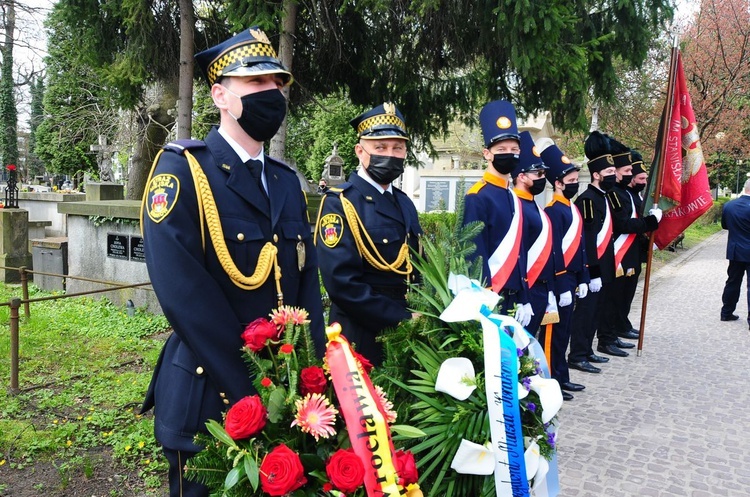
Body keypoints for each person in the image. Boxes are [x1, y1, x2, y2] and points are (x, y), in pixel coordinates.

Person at [140, 27, 324, 496]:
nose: (272, 94)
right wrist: (254, 389)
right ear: (221, 95)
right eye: (256, 84)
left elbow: (305, 285)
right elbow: (185, 296)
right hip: (213, 398)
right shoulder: (183, 170)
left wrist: (311, 379)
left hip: (283, 397)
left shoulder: (285, 181)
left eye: (277, 84)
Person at [314, 102, 422, 365]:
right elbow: (342, 284)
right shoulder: (341, 203)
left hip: (406, 335)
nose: (390, 154)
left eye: (397, 148)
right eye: (380, 148)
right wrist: (403, 319)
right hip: (361, 337)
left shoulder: (404, 201)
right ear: (360, 151)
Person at [464, 100, 532, 326]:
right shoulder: (477, 196)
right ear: (487, 153)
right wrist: (485, 300)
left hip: (514, 296)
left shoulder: (513, 195)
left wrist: (524, 298)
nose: (508, 154)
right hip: (491, 297)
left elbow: (520, 251)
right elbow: (474, 253)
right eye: (501, 150)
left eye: (514, 150)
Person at [539, 139, 590, 400]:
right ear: (558, 183)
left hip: (572, 279)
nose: (575, 183)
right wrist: (560, 284)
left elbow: (579, 246)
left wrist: (582, 277)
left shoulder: (571, 207)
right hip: (559, 283)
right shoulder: (553, 211)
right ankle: (550, 383)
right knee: (553, 336)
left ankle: (562, 377)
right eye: (571, 179)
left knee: (565, 332)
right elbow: (553, 251)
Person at [599, 141, 661, 350]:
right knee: (614, 298)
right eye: (627, 171)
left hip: (632, 252)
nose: (629, 175)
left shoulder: (628, 193)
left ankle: (620, 326)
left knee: (625, 295)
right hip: (619, 254)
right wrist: (650, 223)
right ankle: (609, 334)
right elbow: (623, 224)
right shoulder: (616, 193)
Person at [567, 131, 618, 373]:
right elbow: (588, 240)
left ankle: (588, 350)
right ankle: (577, 354)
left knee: (596, 313)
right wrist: (592, 272)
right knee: (585, 314)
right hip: (591, 270)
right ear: (596, 175)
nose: (613, 176)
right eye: (609, 173)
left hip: (604, 268)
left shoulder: (604, 197)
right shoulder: (587, 200)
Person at [512, 131, 554, 336]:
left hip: (541, 287)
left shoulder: (533, 205)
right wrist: (523, 297)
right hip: (527, 287)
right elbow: (517, 254)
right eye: (538, 174)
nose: (543, 178)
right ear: (521, 176)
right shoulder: (515, 205)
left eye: (544, 174)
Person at [720, 178, 750, 329]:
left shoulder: (729, 205)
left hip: (736, 249)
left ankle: (726, 312)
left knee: (732, 281)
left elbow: (725, 225)